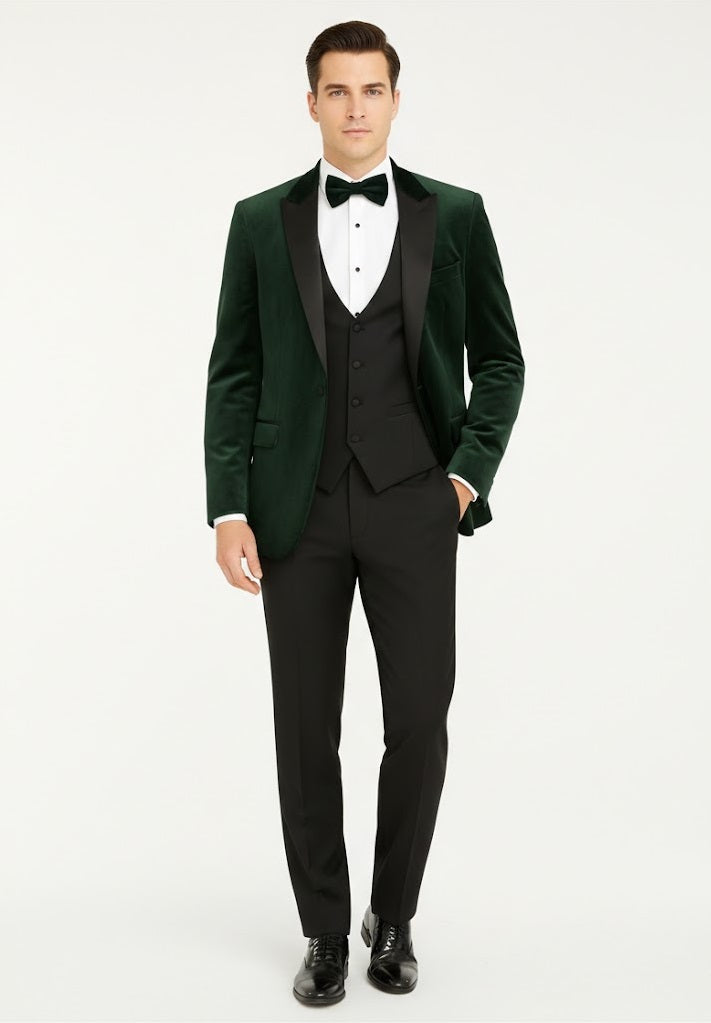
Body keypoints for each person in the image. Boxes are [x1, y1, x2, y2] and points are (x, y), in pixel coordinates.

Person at [204, 19, 525, 1006]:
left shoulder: (455, 215)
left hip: (413, 505)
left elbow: (500, 360)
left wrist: (463, 478)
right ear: (311, 103)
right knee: (305, 731)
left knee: (419, 722)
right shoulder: (258, 221)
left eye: (371, 89)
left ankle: (394, 916)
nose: (354, 108)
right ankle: (323, 931)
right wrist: (228, 508)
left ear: (394, 99)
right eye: (336, 91)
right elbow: (235, 372)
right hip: (292, 511)